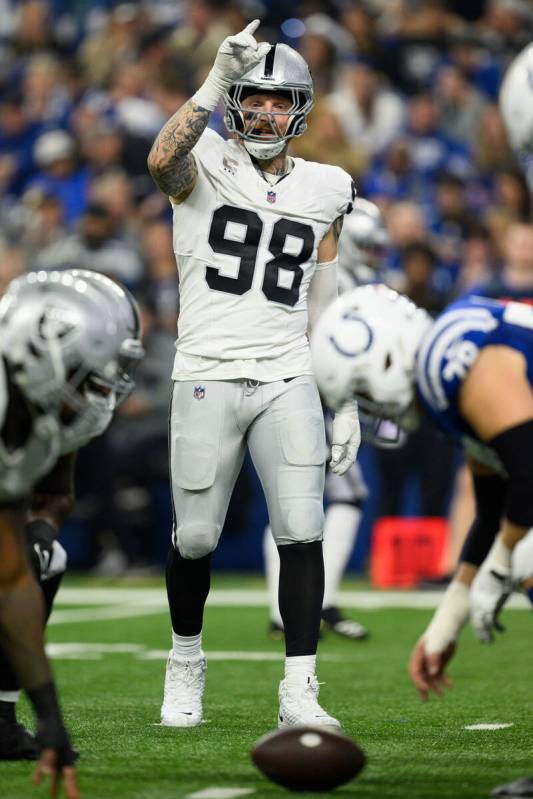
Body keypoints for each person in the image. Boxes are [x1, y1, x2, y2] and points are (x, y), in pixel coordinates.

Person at [147, 20, 360, 730]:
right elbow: (158, 160)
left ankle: (299, 686)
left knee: (302, 527)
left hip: (286, 373)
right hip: (206, 368)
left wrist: (346, 395)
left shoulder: (329, 186)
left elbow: (326, 298)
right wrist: (212, 80)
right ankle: (184, 662)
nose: (265, 112)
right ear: (236, 103)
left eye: (278, 101)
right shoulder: (203, 160)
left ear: (299, 109)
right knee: (197, 537)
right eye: (253, 99)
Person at [310, 283, 533, 701]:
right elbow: (491, 508)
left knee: (525, 552)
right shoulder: (441, 369)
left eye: (362, 392)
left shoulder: (448, 363)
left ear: (386, 359)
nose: (370, 406)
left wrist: (500, 566)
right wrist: (446, 623)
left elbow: (528, 476)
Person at [0, 269, 144, 795]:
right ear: (46, 353)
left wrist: (50, 719)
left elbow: (12, 584)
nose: (103, 388)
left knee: (39, 558)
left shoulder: (32, 414)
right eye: (94, 371)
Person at [263, 198, 389, 642]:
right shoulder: (335, 279)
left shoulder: (348, 278)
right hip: (310, 391)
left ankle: (290, 610)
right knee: (340, 496)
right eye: (368, 246)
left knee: (296, 498)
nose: (374, 255)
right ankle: (314, 604)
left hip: (305, 389)